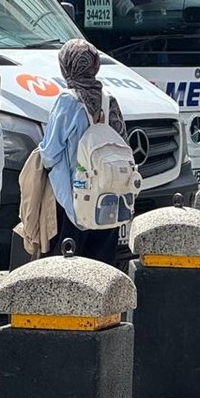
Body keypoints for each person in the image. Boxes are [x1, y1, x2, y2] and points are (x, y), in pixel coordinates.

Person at [37, 39, 125, 265]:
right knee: (101, 265)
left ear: (66, 66)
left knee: (67, 264)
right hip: (108, 198)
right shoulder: (109, 100)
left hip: (74, 199)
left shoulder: (68, 101)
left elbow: (50, 153)